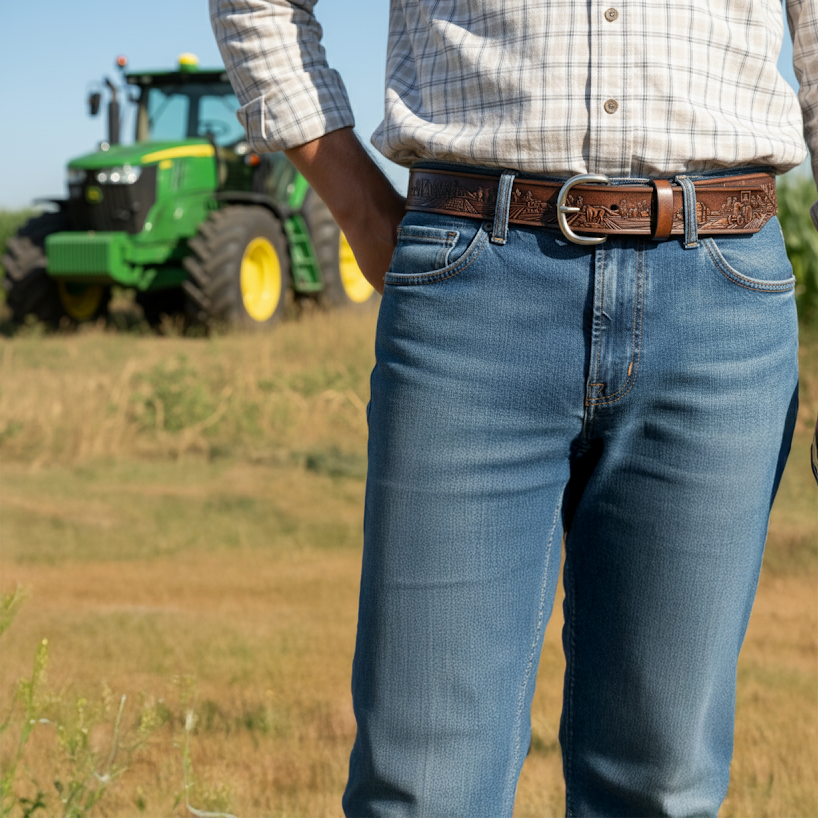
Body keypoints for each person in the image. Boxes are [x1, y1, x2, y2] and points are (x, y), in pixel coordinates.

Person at [210, 1, 817, 815]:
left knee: (662, 788)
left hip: (724, 294)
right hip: (472, 283)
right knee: (424, 790)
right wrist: (358, 206)